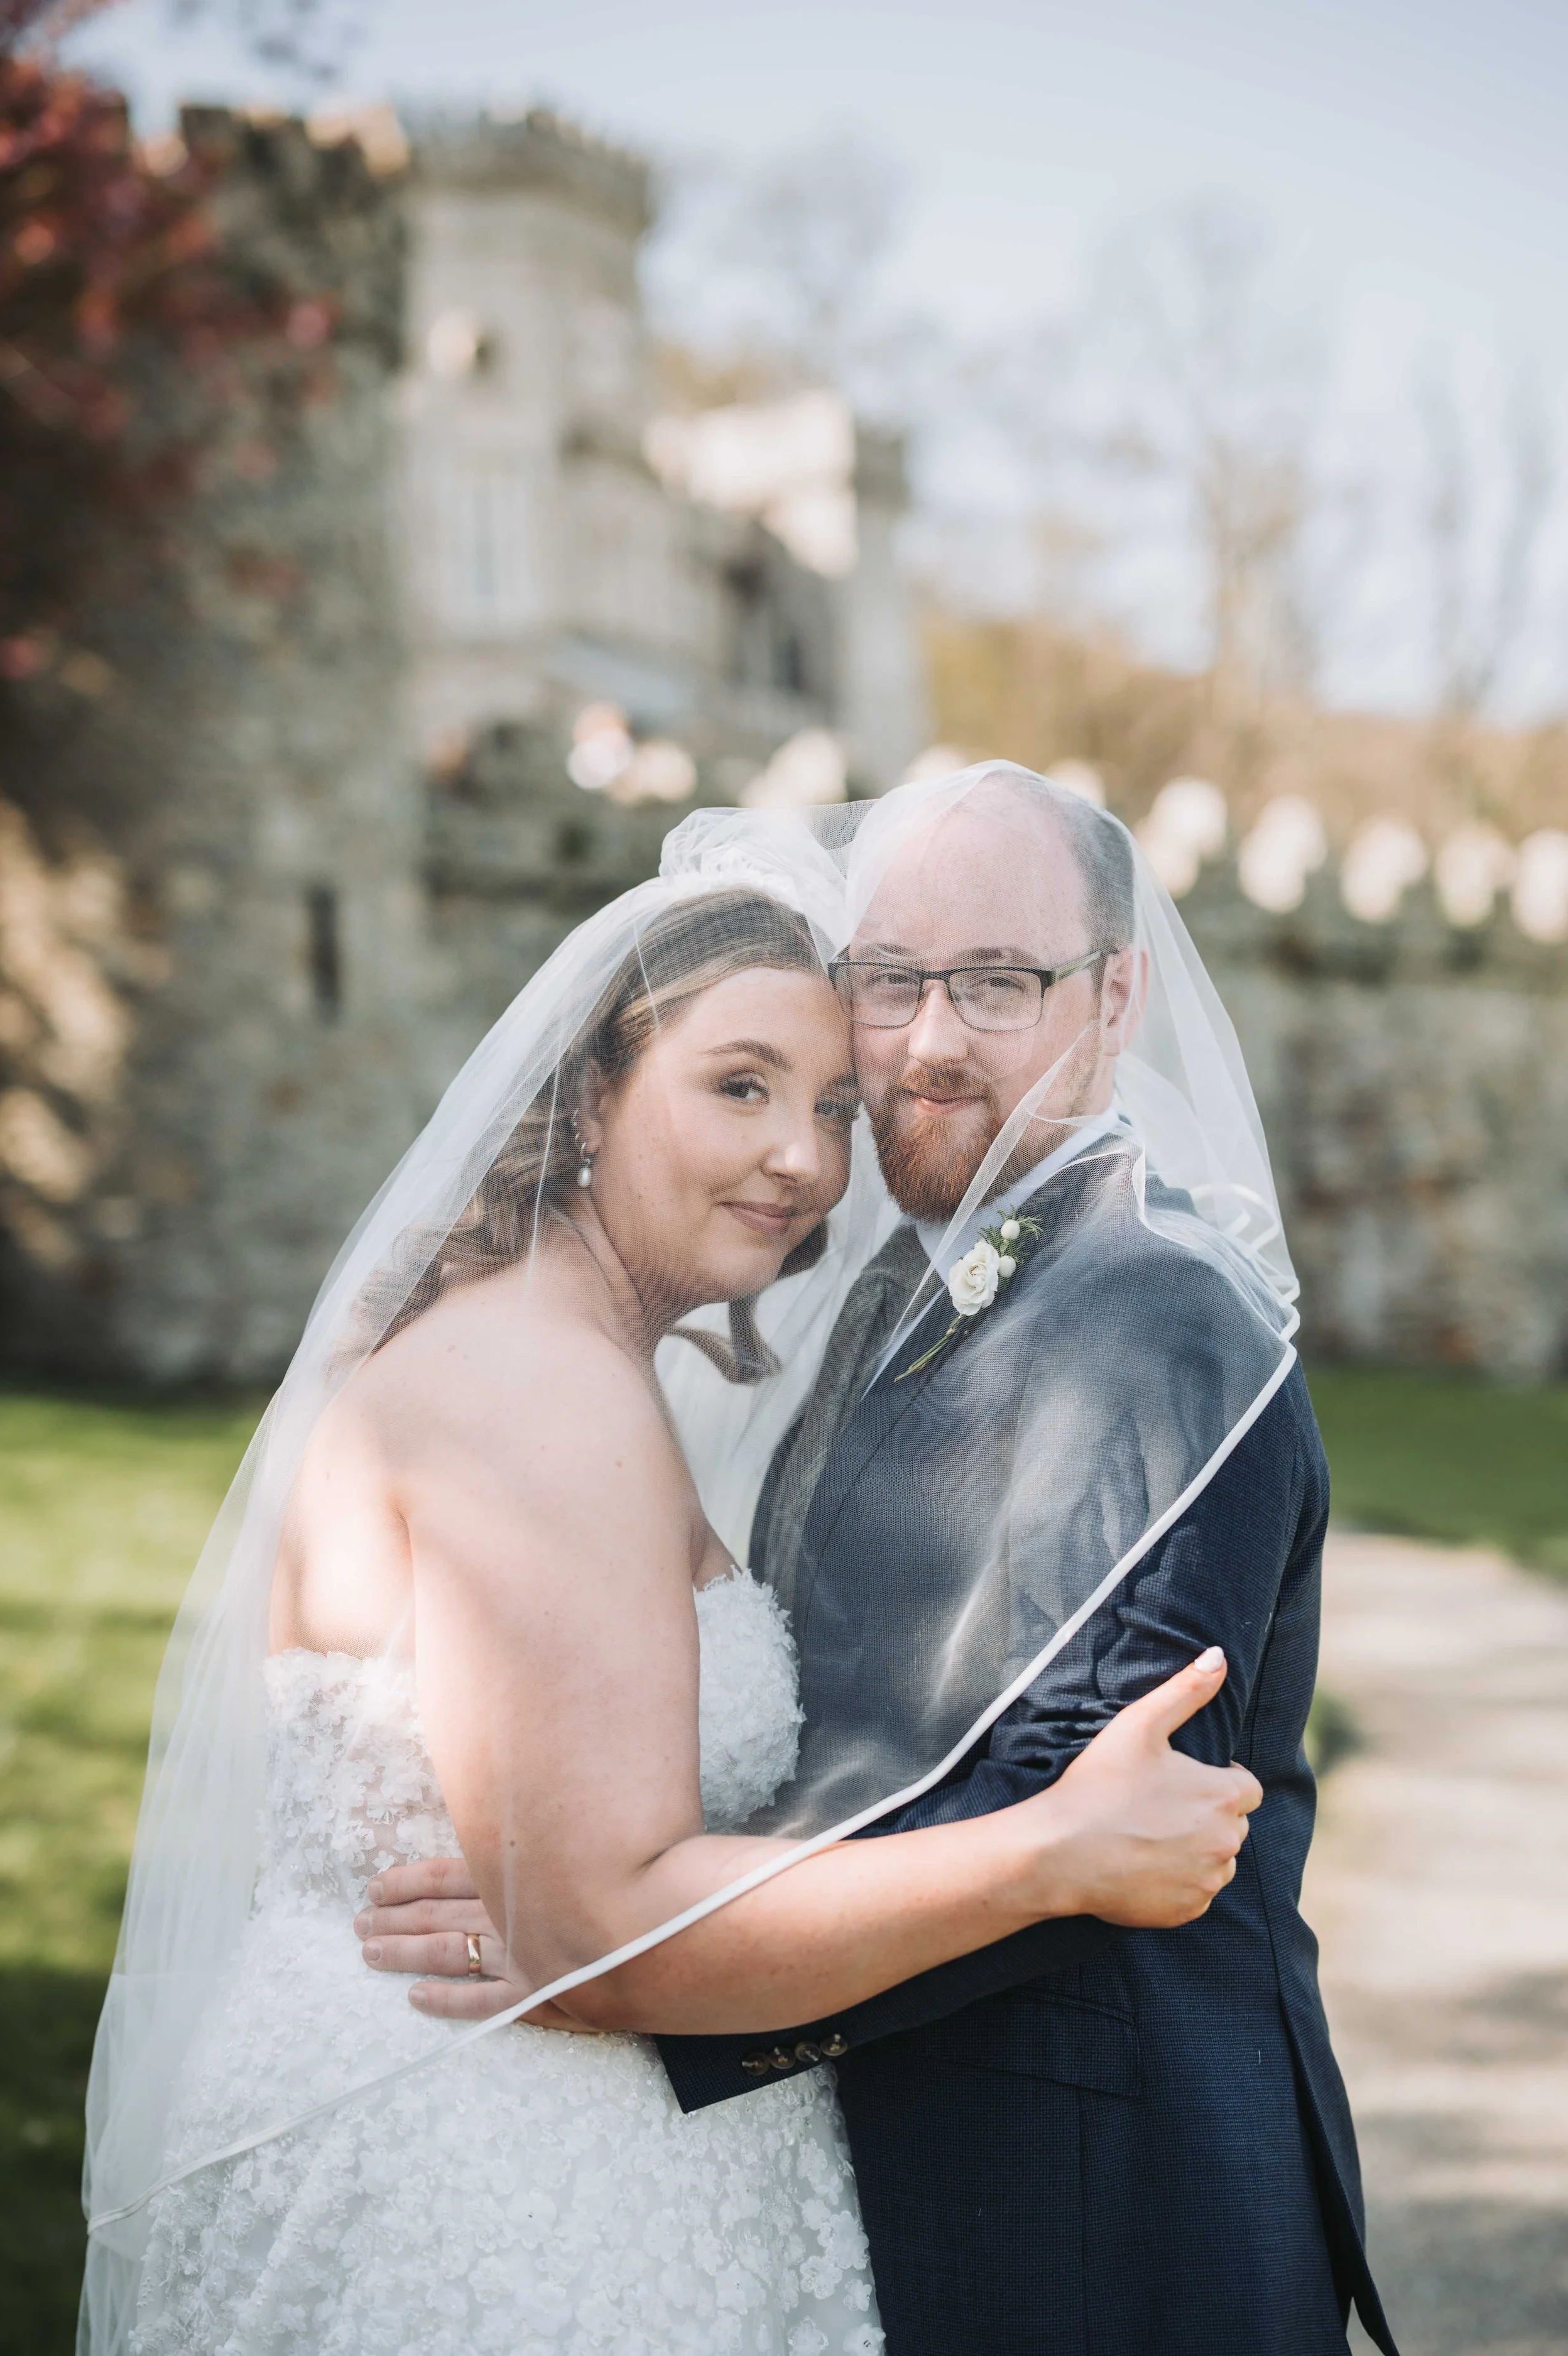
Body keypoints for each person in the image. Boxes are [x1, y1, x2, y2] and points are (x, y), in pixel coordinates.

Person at [82, 871, 1260, 2356]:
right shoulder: (540, 1393)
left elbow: (576, 1884)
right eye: (738, 1086)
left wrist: (593, 1900)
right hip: (506, 2197)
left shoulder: (536, 1343)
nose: (797, 1160)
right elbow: (601, 1935)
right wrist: (1047, 1854)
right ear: (590, 1098)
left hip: (462, 2121)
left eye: (833, 1107)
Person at [373, 768, 1399, 2356]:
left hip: (1095, 2205)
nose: (928, 1041)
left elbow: (1067, 1819)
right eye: (892, 980)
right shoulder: (893, 1286)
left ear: (1115, 996)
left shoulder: (1156, 1316)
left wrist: (611, 1952)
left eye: (998, 983)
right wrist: (596, 1855)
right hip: (915, 2174)